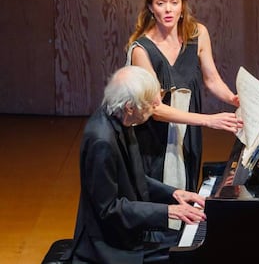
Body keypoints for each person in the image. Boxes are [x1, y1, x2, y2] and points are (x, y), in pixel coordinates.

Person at [68, 66, 206, 264]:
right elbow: (108, 209)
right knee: (188, 256)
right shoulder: (102, 141)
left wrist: (174, 194)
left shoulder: (122, 119)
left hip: (131, 233)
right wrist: (168, 211)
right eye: (150, 105)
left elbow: (135, 176)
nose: (155, 108)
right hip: (109, 247)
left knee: (188, 244)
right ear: (130, 107)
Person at [125, 0, 242, 192]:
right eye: (161, 3)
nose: (168, 9)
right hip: (152, 139)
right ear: (151, 7)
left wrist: (233, 99)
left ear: (182, 5)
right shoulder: (142, 49)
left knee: (187, 191)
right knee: (158, 200)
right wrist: (208, 120)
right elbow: (155, 109)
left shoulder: (198, 34)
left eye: (174, 2)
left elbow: (212, 79)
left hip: (187, 134)